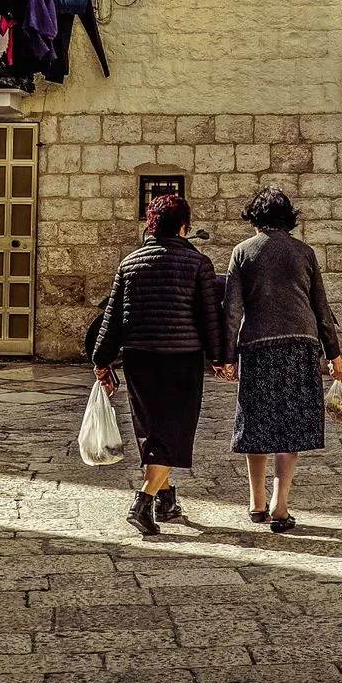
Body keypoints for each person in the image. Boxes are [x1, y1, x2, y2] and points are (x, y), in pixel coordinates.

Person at [91, 193, 224, 536]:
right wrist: (221, 357)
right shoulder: (198, 264)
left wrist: (102, 360)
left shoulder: (130, 263)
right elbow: (210, 316)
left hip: (139, 358)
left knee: (151, 428)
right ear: (184, 226)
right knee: (173, 430)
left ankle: (166, 499)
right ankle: (144, 499)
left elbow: (113, 318)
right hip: (181, 358)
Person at [223, 187, 342, 534]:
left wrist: (227, 356)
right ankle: (281, 503)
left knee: (257, 420)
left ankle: (256, 502)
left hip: (258, 346)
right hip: (300, 345)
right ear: (289, 217)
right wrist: (334, 355)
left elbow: (231, 310)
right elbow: (322, 310)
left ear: (255, 218)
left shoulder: (243, 253)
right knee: (291, 422)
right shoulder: (304, 253)